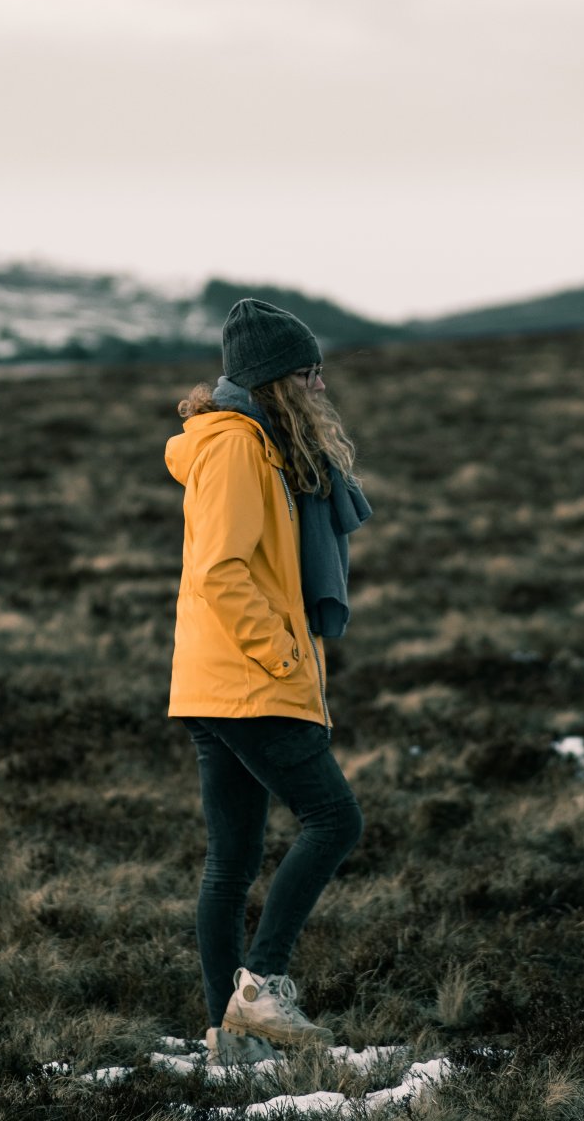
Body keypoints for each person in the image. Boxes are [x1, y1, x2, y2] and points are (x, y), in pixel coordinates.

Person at [165, 297, 370, 1070]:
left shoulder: (262, 448)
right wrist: (283, 656)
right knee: (333, 819)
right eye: (310, 374)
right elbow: (221, 571)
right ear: (279, 379)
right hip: (244, 681)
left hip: (217, 681)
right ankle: (263, 986)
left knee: (232, 862)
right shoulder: (235, 449)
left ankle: (230, 1034)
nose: (321, 387)